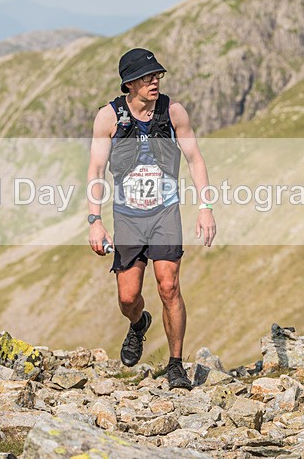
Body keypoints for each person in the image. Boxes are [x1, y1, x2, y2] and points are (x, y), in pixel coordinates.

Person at [87, 48, 216, 390]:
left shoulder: (173, 112)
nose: (154, 81)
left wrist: (206, 207)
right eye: (147, 77)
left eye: (157, 75)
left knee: (169, 285)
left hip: (165, 213)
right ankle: (138, 324)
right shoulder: (108, 118)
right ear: (129, 83)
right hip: (128, 217)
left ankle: (176, 365)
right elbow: (96, 169)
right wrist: (94, 220)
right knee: (128, 297)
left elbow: (195, 160)